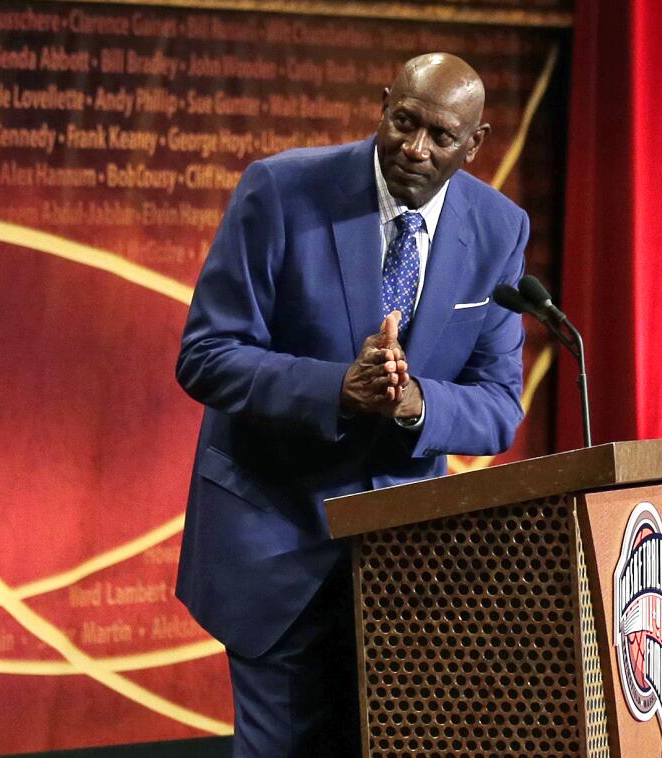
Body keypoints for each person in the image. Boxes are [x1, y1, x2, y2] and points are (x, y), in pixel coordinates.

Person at [175, 52, 529, 757]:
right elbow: (207, 355)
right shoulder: (282, 190)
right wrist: (339, 387)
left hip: (402, 568)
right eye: (404, 122)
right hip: (275, 537)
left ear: (476, 143)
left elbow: (498, 406)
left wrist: (415, 403)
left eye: (441, 137)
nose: (415, 149)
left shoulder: (498, 228)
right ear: (382, 104)